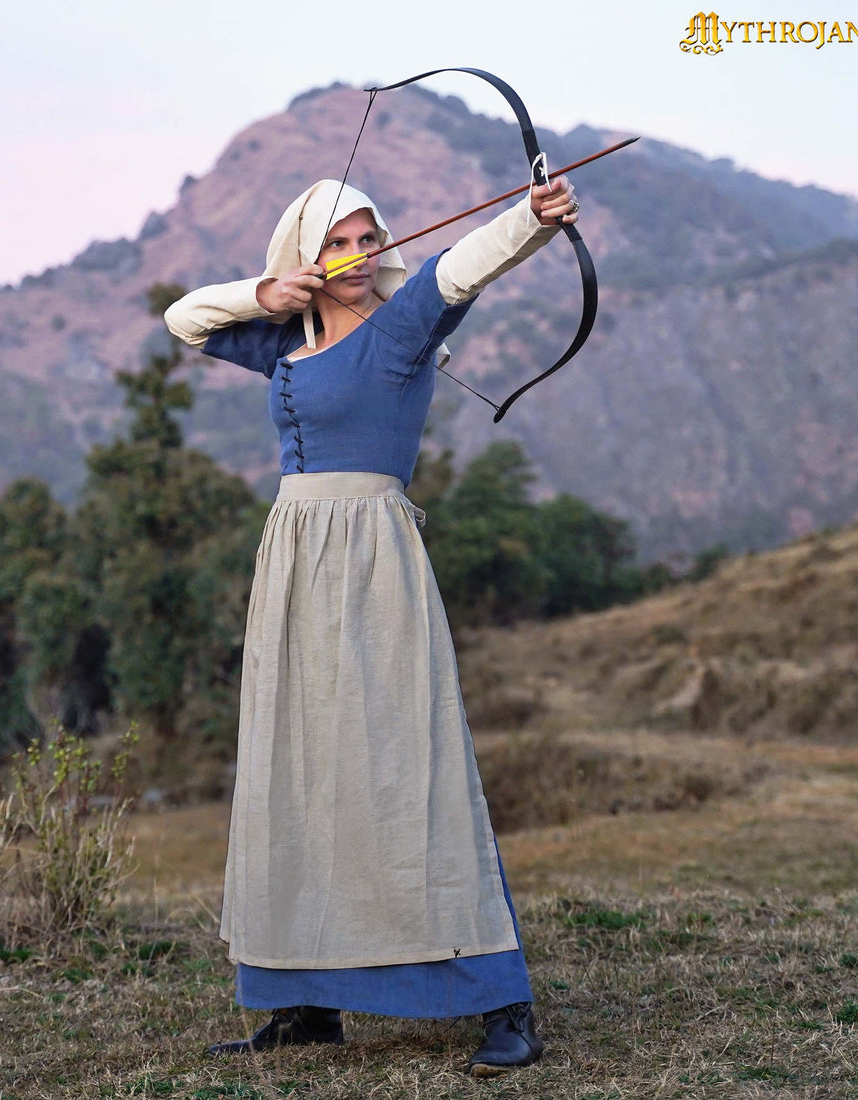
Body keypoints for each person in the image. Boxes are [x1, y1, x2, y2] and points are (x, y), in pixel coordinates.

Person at [164, 170, 579, 1077]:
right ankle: (299, 1003)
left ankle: (501, 1005)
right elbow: (184, 318)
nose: (360, 256)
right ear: (308, 255)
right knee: (296, 769)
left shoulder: (401, 329)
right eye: (339, 242)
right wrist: (265, 293)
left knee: (407, 765)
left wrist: (534, 217)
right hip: (291, 561)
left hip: (371, 558)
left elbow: (461, 269)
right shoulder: (283, 341)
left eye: (369, 238)